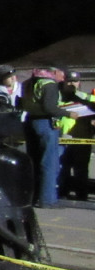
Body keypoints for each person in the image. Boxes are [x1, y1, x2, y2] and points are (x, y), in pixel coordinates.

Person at [21, 66, 77, 208]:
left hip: (30, 121)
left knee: (34, 160)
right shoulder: (49, 85)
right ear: (52, 73)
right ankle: (48, 199)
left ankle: (32, 197)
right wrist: (68, 114)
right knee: (49, 162)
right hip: (45, 123)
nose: (63, 78)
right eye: (61, 74)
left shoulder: (29, 83)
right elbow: (49, 107)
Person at [59, 71, 93, 201]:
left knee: (81, 168)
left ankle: (81, 194)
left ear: (79, 83)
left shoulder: (87, 97)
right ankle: (63, 192)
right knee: (63, 167)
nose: (72, 83)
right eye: (69, 81)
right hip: (63, 137)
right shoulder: (58, 97)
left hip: (82, 137)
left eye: (75, 81)